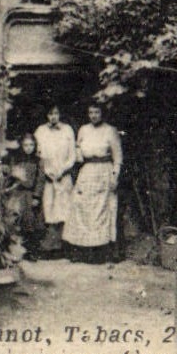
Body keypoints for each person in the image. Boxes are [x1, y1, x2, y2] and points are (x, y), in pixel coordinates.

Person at [63, 102, 122, 263]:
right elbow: (78, 150)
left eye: (96, 112)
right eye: (91, 112)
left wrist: (115, 176)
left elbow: (118, 158)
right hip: (87, 171)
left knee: (101, 211)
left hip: (104, 172)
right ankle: (82, 252)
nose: (94, 115)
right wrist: (78, 152)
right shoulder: (83, 129)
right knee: (81, 208)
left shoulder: (110, 131)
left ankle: (100, 254)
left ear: (102, 113)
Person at [33, 104, 76, 256]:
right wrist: (47, 172)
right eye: (50, 114)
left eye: (56, 113)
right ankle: (50, 247)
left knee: (64, 208)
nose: (53, 117)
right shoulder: (40, 131)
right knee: (49, 209)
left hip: (63, 177)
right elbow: (38, 154)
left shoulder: (67, 130)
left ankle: (65, 247)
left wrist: (62, 171)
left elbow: (72, 156)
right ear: (46, 115)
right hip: (48, 177)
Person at [5, 132, 43, 257]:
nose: (29, 148)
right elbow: (11, 176)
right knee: (15, 221)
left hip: (29, 195)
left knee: (30, 223)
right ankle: (15, 250)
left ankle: (31, 251)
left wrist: (36, 196)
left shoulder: (38, 161)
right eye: (26, 145)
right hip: (17, 194)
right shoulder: (16, 160)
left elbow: (40, 180)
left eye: (31, 145)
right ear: (21, 146)